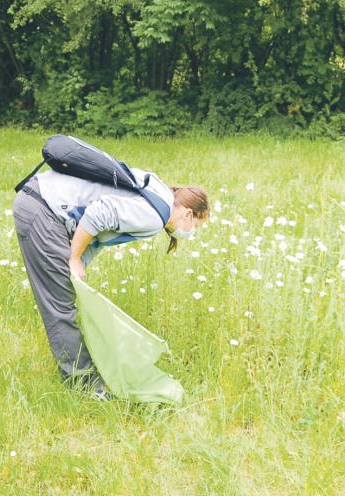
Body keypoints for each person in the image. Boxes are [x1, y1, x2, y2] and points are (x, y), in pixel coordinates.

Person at [12, 167, 210, 398]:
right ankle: (84, 385)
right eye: (196, 226)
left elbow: (99, 236)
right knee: (59, 304)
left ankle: (83, 374)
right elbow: (97, 214)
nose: (191, 232)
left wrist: (80, 262)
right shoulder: (155, 217)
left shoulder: (159, 194)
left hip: (41, 198)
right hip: (42, 207)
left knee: (65, 291)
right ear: (187, 214)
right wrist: (74, 257)